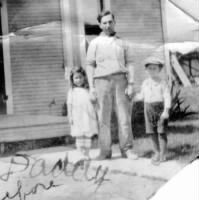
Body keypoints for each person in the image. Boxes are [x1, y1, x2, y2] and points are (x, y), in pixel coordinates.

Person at [86, 10, 138, 160]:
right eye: (104, 22)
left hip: (121, 80)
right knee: (103, 119)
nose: (108, 25)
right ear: (100, 24)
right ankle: (104, 151)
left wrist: (131, 83)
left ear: (114, 22)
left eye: (110, 22)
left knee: (124, 117)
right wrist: (91, 88)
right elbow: (90, 65)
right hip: (101, 81)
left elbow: (130, 63)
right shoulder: (94, 43)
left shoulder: (123, 42)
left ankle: (126, 149)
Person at [134, 57, 171, 165]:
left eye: (154, 68)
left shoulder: (162, 82)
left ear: (159, 70)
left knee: (161, 132)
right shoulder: (145, 83)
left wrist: (166, 111)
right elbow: (141, 96)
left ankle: (163, 154)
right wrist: (133, 97)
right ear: (146, 70)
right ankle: (156, 152)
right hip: (148, 109)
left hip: (160, 109)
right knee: (151, 132)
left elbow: (167, 96)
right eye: (149, 68)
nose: (152, 71)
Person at [67, 67, 98, 160]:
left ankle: (87, 153)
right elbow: (69, 104)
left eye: (80, 77)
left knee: (87, 135)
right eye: (76, 78)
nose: (78, 80)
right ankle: (81, 153)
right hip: (77, 116)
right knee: (79, 135)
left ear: (84, 77)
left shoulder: (88, 90)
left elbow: (94, 102)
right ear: (72, 79)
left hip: (87, 116)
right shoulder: (72, 91)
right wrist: (70, 116)